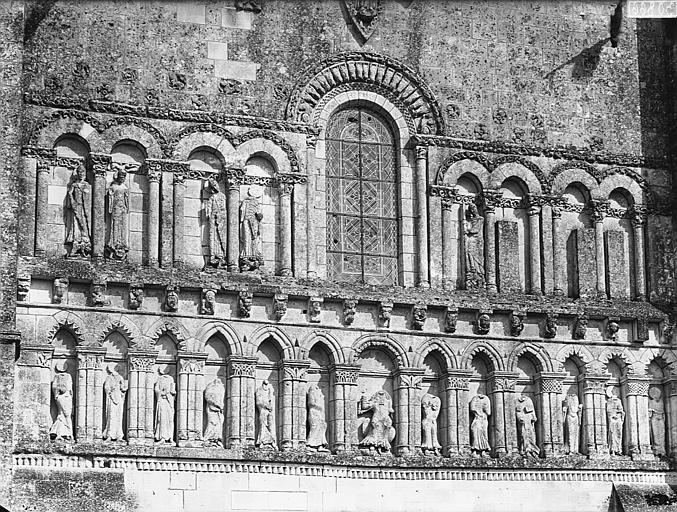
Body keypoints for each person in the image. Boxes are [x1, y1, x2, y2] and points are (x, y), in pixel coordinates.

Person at [64, 163, 91, 257]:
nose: (81, 174)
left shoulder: (86, 185)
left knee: (84, 224)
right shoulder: (74, 185)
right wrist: (72, 201)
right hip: (76, 207)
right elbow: (70, 194)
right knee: (76, 224)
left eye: (83, 172)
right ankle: (76, 242)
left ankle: (85, 242)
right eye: (79, 172)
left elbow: (89, 198)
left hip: (84, 209)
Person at [106, 168, 129, 259]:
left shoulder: (125, 187)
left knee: (122, 225)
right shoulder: (113, 186)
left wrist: (126, 207)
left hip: (122, 208)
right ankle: (114, 242)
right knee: (115, 225)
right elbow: (110, 197)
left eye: (124, 177)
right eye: (121, 176)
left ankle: (122, 243)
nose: (122, 178)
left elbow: (126, 200)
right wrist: (110, 206)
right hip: (116, 208)